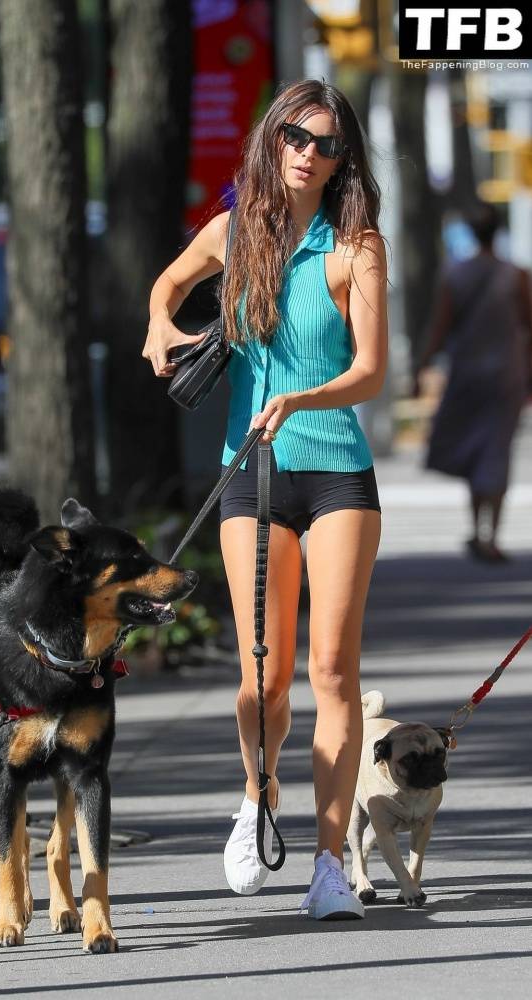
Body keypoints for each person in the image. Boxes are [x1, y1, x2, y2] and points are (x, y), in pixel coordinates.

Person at [143, 80, 387, 920]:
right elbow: (168, 285)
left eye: (323, 143)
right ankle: (257, 798)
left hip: (335, 473)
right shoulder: (232, 232)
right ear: (271, 139)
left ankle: (327, 866)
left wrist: (301, 400)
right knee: (265, 676)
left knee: (330, 671)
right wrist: (157, 327)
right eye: (293, 134)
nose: (305, 152)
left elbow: (370, 372)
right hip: (249, 472)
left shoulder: (354, 246)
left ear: (340, 158)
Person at [416, 202, 532, 563]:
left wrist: (423, 365)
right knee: (496, 450)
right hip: (506, 376)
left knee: (476, 449)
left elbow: (440, 326)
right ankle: (490, 535)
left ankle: (479, 531)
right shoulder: (516, 275)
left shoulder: (456, 274)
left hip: (467, 373)